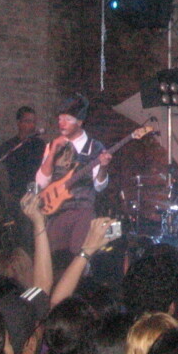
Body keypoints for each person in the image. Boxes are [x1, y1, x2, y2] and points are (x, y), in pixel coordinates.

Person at [36, 94, 112, 255]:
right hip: (56, 213)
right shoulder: (53, 145)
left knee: (79, 257)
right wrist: (52, 152)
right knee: (53, 258)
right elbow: (41, 183)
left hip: (83, 213)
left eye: (68, 119)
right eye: (60, 119)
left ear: (80, 122)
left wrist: (103, 167)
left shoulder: (95, 147)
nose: (62, 123)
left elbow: (99, 186)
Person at [0, 106, 46, 222]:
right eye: (28, 121)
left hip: (37, 194)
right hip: (17, 196)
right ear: (19, 123)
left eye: (34, 122)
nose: (32, 125)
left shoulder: (40, 145)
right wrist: (3, 192)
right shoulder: (10, 145)